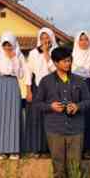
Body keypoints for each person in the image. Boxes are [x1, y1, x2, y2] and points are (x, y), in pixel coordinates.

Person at [33, 46, 90, 178]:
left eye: (70, 61)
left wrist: (77, 106)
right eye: (65, 61)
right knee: (58, 164)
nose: (68, 64)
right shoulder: (46, 81)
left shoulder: (79, 81)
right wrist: (50, 107)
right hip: (55, 129)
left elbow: (88, 101)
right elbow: (37, 103)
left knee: (75, 164)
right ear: (55, 62)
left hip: (76, 129)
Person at [0, 32, 26, 160]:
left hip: (13, 84)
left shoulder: (18, 55)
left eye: (10, 44)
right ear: (1, 44)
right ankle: (1, 149)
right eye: (5, 44)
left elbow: (20, 74)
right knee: (0, 116)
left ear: (14, 44)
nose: (7, 47)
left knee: (13, 115)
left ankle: (14, 150)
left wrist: (13, 58)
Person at [24, 29, 56, 157]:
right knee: (36, 118)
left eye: (47, 37)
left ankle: (49, 149)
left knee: (51, 119)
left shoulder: (55, 52)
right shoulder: (33, 53)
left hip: (52, 89)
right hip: (37, 88)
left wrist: (47, 54)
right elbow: (28, 72)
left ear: (51, 38)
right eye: (42, 37)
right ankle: (35, 148)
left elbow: (54, 69)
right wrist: (28, 90)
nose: (44, 40)